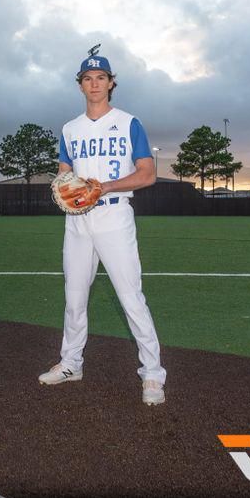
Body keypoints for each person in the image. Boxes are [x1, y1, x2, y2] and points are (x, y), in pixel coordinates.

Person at [38, 49, 166, 406]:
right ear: (80, 85)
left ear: (110, 83)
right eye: (87, 79)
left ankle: (152, 373)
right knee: (74, 297)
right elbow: (64, 174)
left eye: (100, 78)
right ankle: (71, 363)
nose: (94, 84)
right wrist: (65, 188)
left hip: (114, 216)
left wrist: (105, 187)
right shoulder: (70, 129)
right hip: (78, 221)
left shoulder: (128, 123)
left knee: (131, 297)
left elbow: (147, 174)